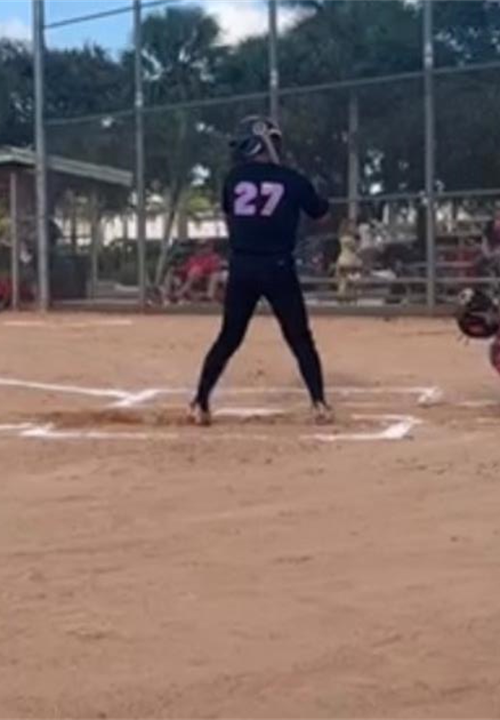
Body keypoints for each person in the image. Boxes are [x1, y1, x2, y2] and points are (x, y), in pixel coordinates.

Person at [190, 115, 332, 426]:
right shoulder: (292, 179)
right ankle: (319, 402)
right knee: (299, 337)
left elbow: (232, 217)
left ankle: (200, 402)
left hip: (242, 266)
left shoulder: (234, 179)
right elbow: (321, 214)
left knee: (229, 336)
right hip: (279, 266)